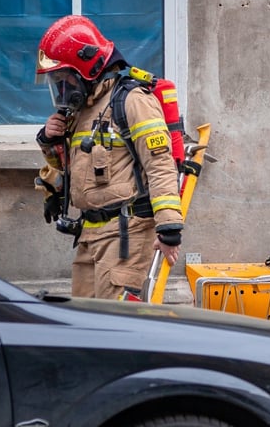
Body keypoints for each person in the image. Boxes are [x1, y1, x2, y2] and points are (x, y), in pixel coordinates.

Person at [33, 15, 183, 299]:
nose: (62, 89)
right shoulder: (84, 109)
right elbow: (72, 168)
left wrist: (168, 226)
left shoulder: (133, 100)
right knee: (85, 326)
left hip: (125, 236)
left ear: (87, 69)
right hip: (89, 235)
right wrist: (50, 142)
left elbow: (160, 165)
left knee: (116, 329)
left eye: (65, 79)